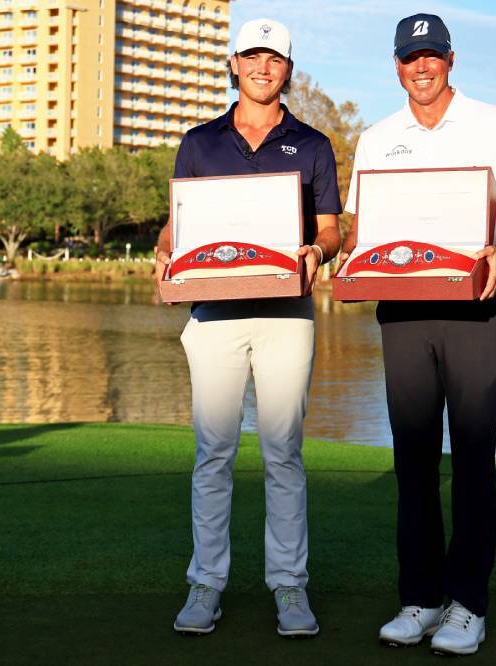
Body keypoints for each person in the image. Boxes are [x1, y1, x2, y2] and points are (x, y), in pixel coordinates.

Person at [342, 13, 496, 656]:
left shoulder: (495, 122)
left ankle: (468, 605)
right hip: (403, 310)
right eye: (411, 57)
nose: (422, 67)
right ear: (396, 66)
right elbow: (359, 229)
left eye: (431, 55)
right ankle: (421, 599)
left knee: (475, 456)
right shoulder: (377, 138)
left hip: (476, 308)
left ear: (450, 59)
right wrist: (338, 255)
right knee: (413, 459)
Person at [153, 18, 342, 637]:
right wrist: (164, 248)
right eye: (253, 56)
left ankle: (290, 586)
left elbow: (331, 228)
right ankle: (206, 583)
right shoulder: (198, 143)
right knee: (214, 453)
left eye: (275, 59)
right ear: (233, 64)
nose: (264, 67)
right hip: (213, 317)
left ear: (289, 70)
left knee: (283, 451)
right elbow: (178, 222)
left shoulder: (312, 144)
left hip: (287, 315)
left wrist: (318, 250)